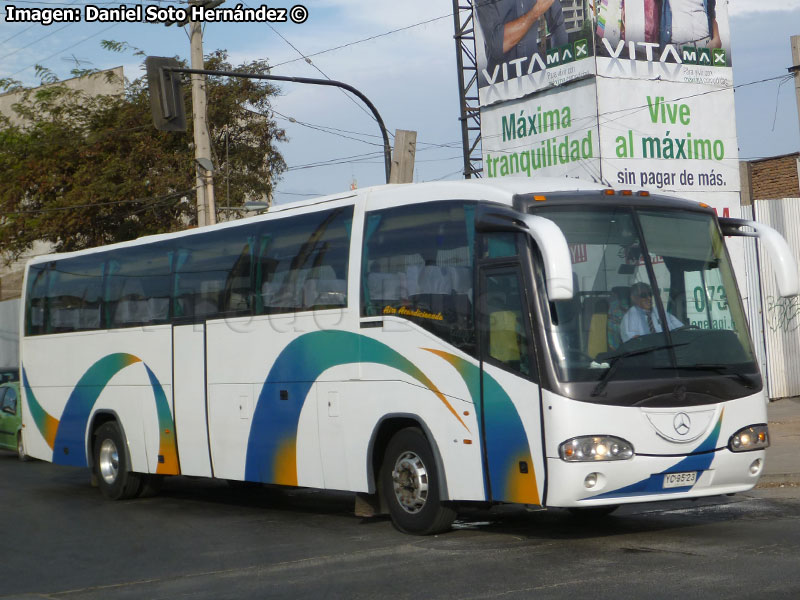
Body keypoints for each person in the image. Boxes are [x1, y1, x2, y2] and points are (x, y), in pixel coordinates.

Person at [476, 0, 568, 82]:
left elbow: (558, 24)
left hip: (537, 76)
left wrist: (558, 70)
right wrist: (535, 13)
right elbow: (497, 45)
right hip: (500, 85)